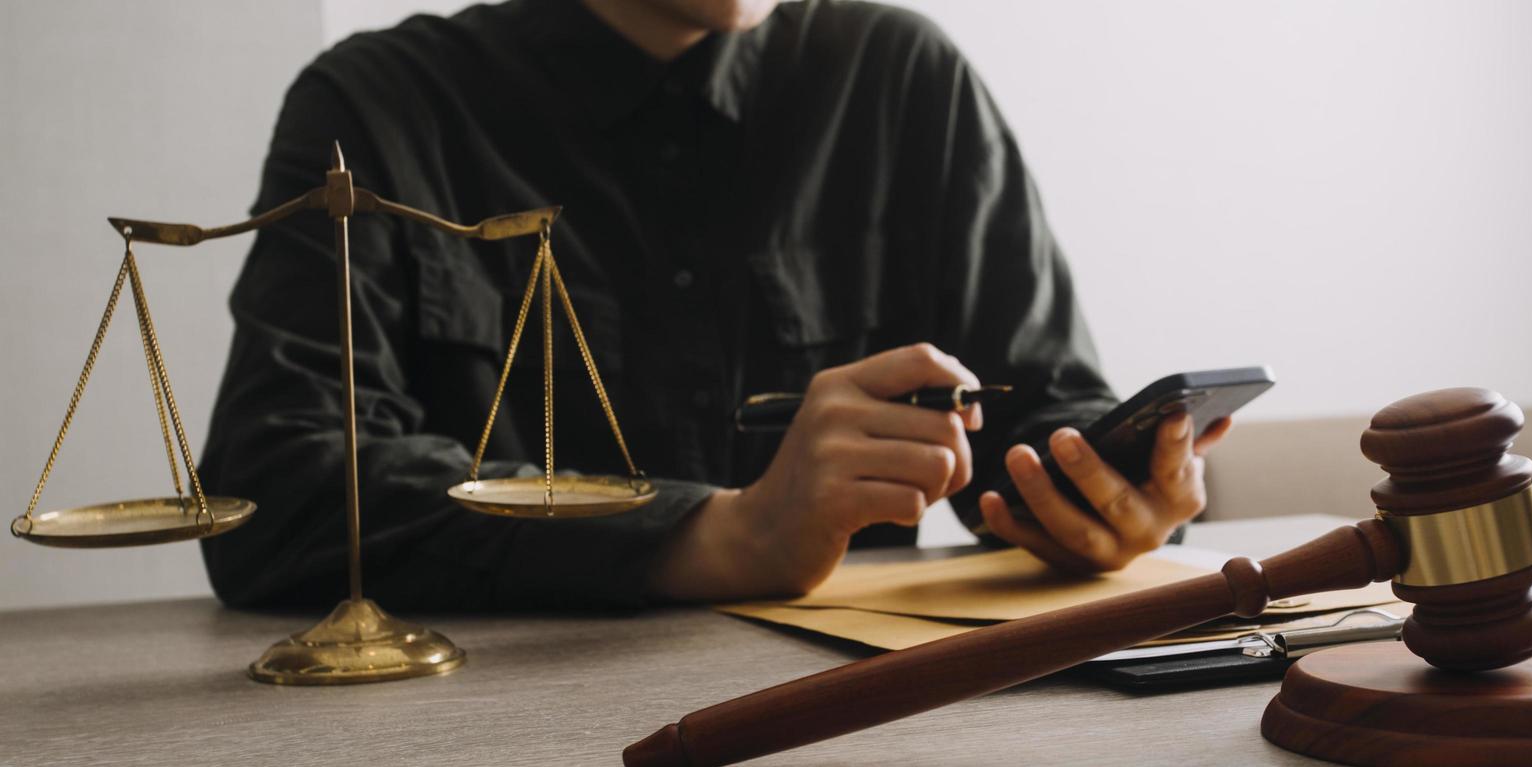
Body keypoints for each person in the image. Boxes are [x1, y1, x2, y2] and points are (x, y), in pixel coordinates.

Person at [199, 0, 1229, 610]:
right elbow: (277, 490)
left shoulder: (899, 77)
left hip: (859, 732)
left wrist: (1098, 493)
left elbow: (1027, 410)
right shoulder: (382, 105)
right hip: (468, 760)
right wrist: (719, 535)